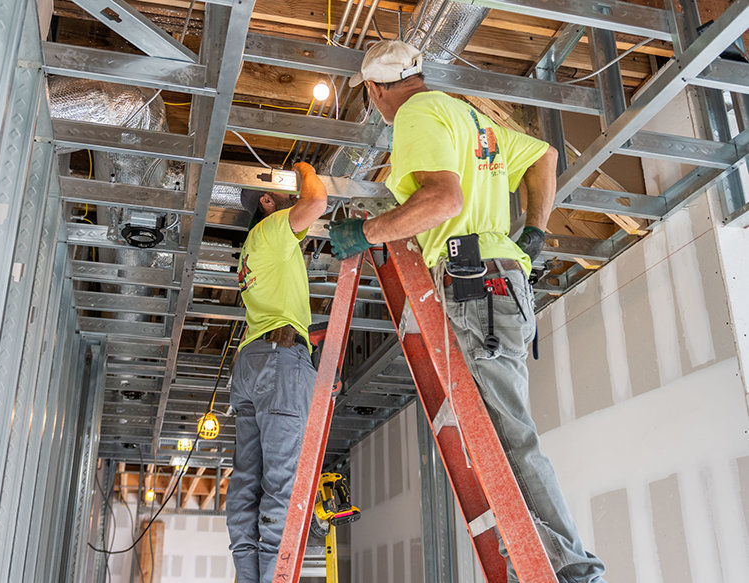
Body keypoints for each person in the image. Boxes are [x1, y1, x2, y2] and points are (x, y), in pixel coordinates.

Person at [328, 40, 607, 583]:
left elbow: (442, 201)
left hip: (473, 280)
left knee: (507, 436)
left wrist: (364, 231)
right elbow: (544, 156)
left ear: (376, 90)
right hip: (498, 277)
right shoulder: (467, 115)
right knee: (501, 433)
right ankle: (531, 555)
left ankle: (569, 570)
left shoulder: (414, 115)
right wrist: (535, 231)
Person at [226, 162, 328, 583]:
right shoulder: (269, 234)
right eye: (285, 193)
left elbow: (308, 208)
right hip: (277, 358)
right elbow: (317, 200)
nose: (293, 199)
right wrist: (306, 167)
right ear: (267, 201)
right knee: (278, 485)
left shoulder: (259, 246)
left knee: (250, 483)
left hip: (259, 358)